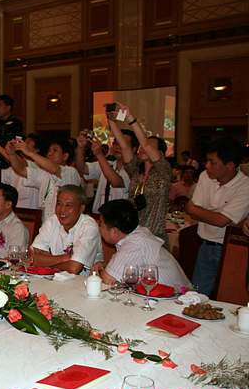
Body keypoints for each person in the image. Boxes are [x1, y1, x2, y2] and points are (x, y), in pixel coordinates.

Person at [186, 138, 249, 296]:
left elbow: (221, 221)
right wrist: (215, 215)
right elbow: (191, 209)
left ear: (230, 165)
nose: (207, 166)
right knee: (197, 297)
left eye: (212, 162)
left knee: (227, 297)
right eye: (207, 161)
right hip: (205, 245)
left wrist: (198, 210)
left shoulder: (245, 186)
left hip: (230, 249)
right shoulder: (205, 176)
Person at [108, 102, 172, 245]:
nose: (142, 148)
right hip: (134, 235)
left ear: (160, 153)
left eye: (148, 146)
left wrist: (130, 117)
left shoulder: (164, 171)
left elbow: (146, 144)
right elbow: (124, 146)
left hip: (155, 237)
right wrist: (111, 121)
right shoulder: (136, 170)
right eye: (141, 146)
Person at [93, 199, 191, 289]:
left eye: (101, 224)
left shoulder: (134, 244)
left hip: (176, 298)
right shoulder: (138, 233)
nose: (99, 227)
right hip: (166, 294)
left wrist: (100, 271)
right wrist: (105, 266)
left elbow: (108, 281)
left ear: (114, 231)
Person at [31, 185, 102, 274]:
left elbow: (74, 268)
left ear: (81, 208)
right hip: (52, 278)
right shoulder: (52, 221)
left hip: (82, 280)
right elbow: (32, 257)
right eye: (59, 204)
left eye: (68, 205)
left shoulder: (89, 226)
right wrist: (65, 258)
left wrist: (47, 263)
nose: (62, 210)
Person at [9, 137, 83, 220]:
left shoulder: (71, 172)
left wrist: (29, 152)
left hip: (65, 223)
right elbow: (21, 170)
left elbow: (55, 169)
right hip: (46, 222)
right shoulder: (45, 173)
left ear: (65, 156)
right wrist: (12, 154)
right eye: (49, 151)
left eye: (55, 150)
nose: (49, 154)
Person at [74, 129, 138, 214]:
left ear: (134, 149)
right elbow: (82, 169)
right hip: (99, 215)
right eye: (115, 143)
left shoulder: (135, 170)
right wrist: (80, 147)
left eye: (122, 144)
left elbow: (116, 182)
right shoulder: (108, 164)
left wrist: (99, 154)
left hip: (118, 218)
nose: (117, 147)